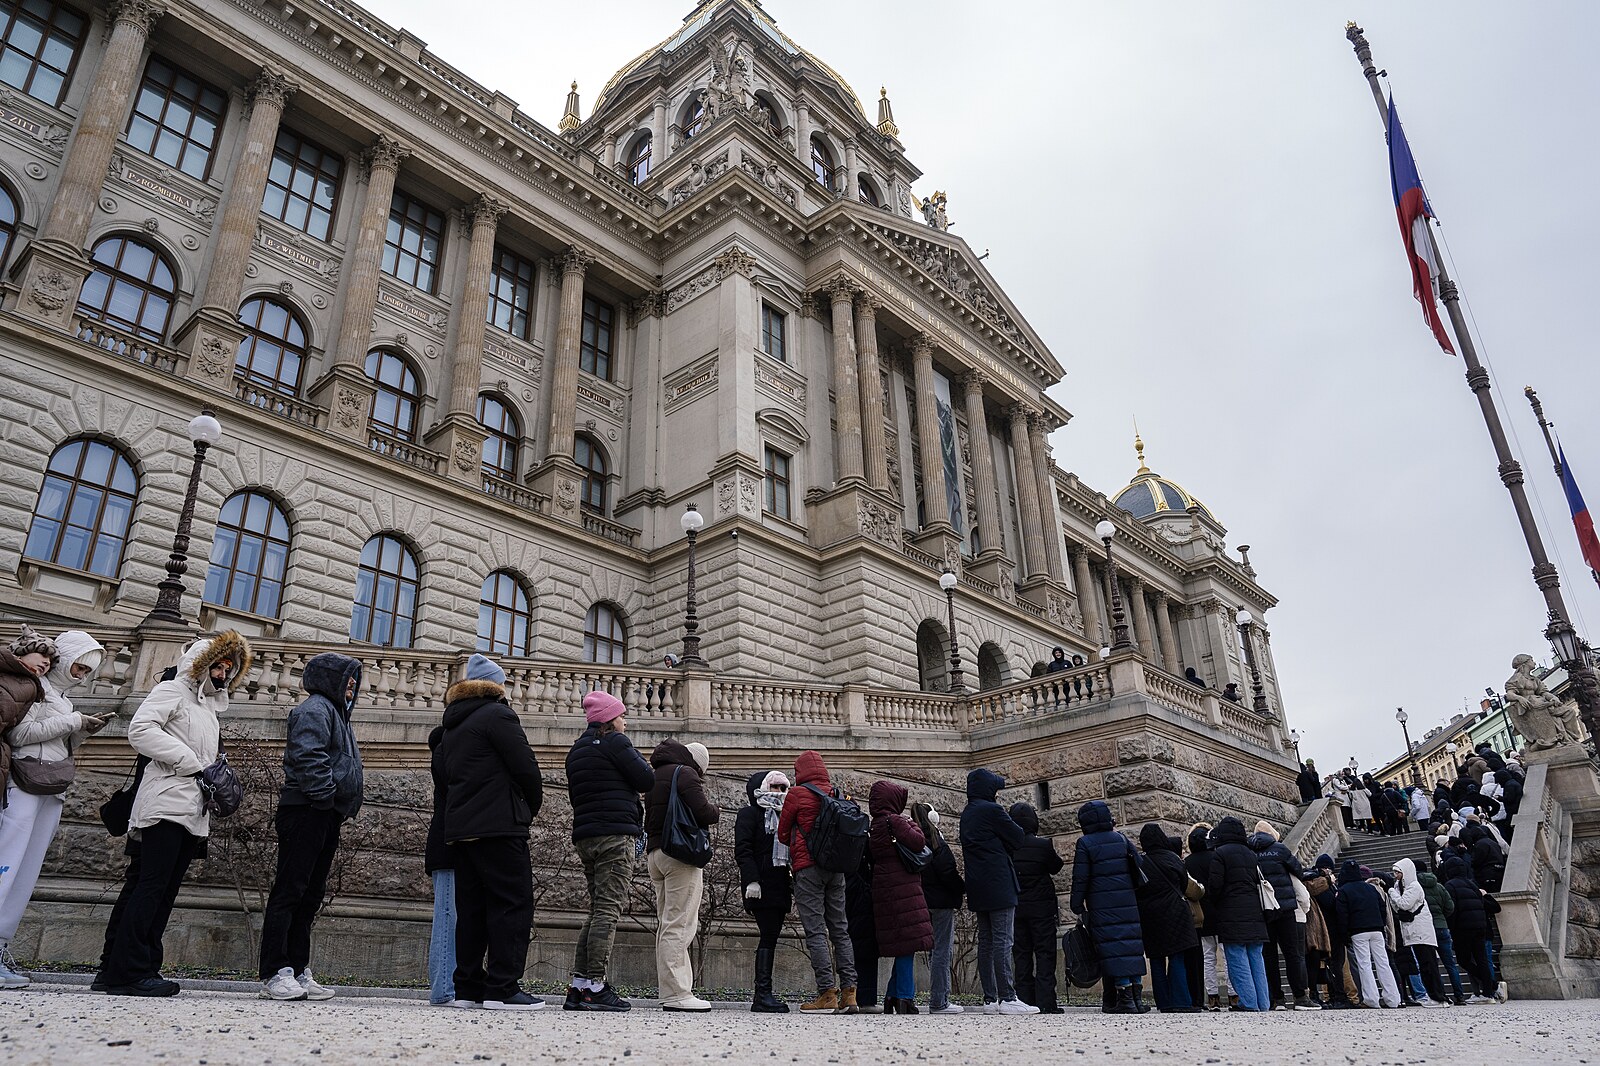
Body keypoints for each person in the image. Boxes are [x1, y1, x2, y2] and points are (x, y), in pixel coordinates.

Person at [98, 631, 252, 997]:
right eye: (219, 665)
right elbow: (140, 730)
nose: (224, 673)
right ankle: (131, 971)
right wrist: (190, 762)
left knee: (157, 889)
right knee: (152, 888)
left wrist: (207, 771)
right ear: (202, 664)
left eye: (230, 668)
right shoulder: (173, 691)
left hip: (190, 808)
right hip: (166, 804)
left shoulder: (207, 709)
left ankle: (121, 967)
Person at [432, 653, 544, 1011]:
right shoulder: (498, 715)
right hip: (499, 827)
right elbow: (527, 769)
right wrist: (527, 810)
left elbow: (444, 781)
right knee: (512, 904)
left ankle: (467, 988)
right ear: (497, 686)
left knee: (473, 910)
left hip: (461, 830)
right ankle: (503, 988)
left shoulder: (450, 726)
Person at [257, 652, 364, 1002]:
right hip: (307, 810)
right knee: (290, 891)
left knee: (309, 895)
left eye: (354, 682)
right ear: (330, 679)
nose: (351, 688)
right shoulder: (314, 709)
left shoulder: (336, 714)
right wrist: (324, 796)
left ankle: (298, 970)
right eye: (347, 681)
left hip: (324, 812)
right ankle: (275, 972)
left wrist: (333, 805)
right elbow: (308, 756)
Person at [0, 629, 104, 989]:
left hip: (50, 786)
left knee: (25, 872)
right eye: (79, 665)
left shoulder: (60, 697)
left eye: (88, 670)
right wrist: (75, 722)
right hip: (25, 782)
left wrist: (80, 728)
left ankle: (1, 945)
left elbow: (53, 739)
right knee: (8, 864)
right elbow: (19, 735)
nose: (82, 673)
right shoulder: (36, 689)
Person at [564, 690, 654, 1012]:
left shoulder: (575, 751)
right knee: (607, 911)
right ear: (610, 718)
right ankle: (596, 986)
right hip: (616, 836)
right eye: (622, 716)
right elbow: (646, 780)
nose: (625, 722)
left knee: (595, 909)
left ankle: (579, 986)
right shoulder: (616, 742)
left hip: (585, 837)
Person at [778, 750, 857, 1014]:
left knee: (815, 929)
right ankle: (850, 993)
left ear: (800, 772)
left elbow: (782, 834)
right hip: (837, 868)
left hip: (808, 868)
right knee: (840, 929)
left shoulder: (797, 794)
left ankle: (826, 993)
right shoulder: (838, 793)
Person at [644, 738, 718, 1012]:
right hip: (680, 855)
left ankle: (669, 991)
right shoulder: (685, 773)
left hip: (656, 854)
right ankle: (677, 993)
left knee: (667, 924)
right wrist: (716, 811)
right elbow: (703, 812)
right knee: (680, 923)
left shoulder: (657, 773)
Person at [960, 768, 1035, 1015]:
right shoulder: (992, 810)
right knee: (1004, 939)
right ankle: (1008, 997)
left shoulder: (968, 813)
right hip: (999, 882)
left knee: (987, 941)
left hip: (978, 885)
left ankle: (990, 998)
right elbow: (1017, 837)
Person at [1070, 800, 1147, 1014]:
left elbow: (1080, 877)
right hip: (1127, 901)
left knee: (1114, 949)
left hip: (1102, 904)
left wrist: (1076, 904)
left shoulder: (1085, 843)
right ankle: (1137, 1000)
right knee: (1130, 947)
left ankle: (1125, 1001)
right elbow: (1138, 865)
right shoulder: (1121, 838)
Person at [869, 781, 932, 1013]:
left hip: (885, 886)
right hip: (902, 887)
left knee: (902, 943)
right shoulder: (895, 821)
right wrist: (912, 824)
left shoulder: (875, 824)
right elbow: (918, 842)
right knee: (908, 943)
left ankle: (892, 996)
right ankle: (905, 997)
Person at [735, 770, 792, 1013]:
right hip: (760, 887)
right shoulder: (749, 814)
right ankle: (762, 994)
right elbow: (743, 850)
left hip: (780, 887)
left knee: (772, 936)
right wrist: (752, 881)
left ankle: (764, 993)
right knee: (768, 935)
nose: (778, 793)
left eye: (782, 788)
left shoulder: (786, 816)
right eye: (774, 787)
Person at [1203, 816, 1270, 1011]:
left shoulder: (1220, 853)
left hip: (1231, 913)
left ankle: (1248, 1003)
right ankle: (1263, 1002)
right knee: (1257, 958)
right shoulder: (1251, 854)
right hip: (1255, 912)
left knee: (1237, 958)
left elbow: (1215, 887)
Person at [1248, 820, 1315, 1009]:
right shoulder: (1280, 849)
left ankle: (1277, 999)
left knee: (1269, 957)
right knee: (1293, 954)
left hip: (1263, 910)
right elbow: (1298, 871)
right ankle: (1300, 997)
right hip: (1285, 908)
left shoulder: (1250, 851)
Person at [1135, 824, 1199, 1012]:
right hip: (1175, 912)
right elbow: (1184, 883)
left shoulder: (1141, 862)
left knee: (1156, 959)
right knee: (1177, 957)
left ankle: (1163, 1002)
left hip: (1150, 915)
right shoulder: (1172, 858)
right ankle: (1181, 1001)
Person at [1009, 802, 1063, 1013]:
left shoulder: (1008, 847)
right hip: (1042, 910)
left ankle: (1025, 1000)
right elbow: (1056, 867)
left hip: (1018, 908)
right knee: (1045, 955)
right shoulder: (1043, 845)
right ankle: (1047, 1002)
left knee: (1021, 955)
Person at [912, 802, 964, 1014]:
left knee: (934, 953)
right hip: (942, 903)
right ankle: (939, 1001)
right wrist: (961, 888)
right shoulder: (937, 842)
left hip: (923, 901)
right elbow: (948, 872)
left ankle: (938, 999)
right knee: (942, 951)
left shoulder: (913, 841)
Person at [1335, 859, 1400, 1008]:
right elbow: (1382, 907)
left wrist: (1345, 934)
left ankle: (1371, 999)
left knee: (1364, 965)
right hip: (1376, 929)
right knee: (1383, 963)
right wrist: (1381, 924)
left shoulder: (1344, 891)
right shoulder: (1371, 888)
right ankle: (1393, 998)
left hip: (1358, 931)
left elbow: (1342, 915)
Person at [423, 723, 456, 1007]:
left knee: (450, 915)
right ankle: (443, 988)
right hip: (448, 845)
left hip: (449, 843)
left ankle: (447, 985)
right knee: (447, 916)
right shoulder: (447, 747)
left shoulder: (447, 746)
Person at [1387, 858, 1447, 1007]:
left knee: (1429, 965)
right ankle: (1435, 996)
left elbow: (1404, 904)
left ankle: (1439, 997)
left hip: (1421, 931)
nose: (1395, 875)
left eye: (1398, 872)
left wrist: (1391, 893)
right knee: (1424, 964)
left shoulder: (1414, 886)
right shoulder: (1400, 886)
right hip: (1413, 931)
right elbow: (1398, 908)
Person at [1184, 823, 1232, 1010]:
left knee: (1208, 957)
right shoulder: (1216, 857)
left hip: (1201, 914)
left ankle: (1212, 997)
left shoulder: (1187, 862)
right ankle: (1233, 994)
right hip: (1220, 911)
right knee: (1226, 955)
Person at [1439, 856, 1498, 1003]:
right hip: (1480, 926)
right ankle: (1489, 992)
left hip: (1462, 928)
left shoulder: (1450, 886)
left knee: (1464, 960)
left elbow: (1452, 910)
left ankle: (1492, 985)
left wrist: (1452, 929)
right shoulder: (1472, 884)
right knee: (1482, 959)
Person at [1302, 856, 1352, 1008]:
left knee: (1329, 964)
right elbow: (1330, 903)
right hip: (1327, 930)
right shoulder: (1320, 885)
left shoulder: (1318, 884)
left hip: (1323, 929)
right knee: (1333, 963)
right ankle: (1337, 996)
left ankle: (1330, 995)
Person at [1417, 861, 1465, 1004]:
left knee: (1432, 964)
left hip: (1426, 928)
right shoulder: (1439, 886)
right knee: (1450, 963)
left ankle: (1441, 993)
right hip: (1442, 926)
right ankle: (1460, 995)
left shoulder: (1416, 887)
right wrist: (1441, 917)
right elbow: (1450, 906)